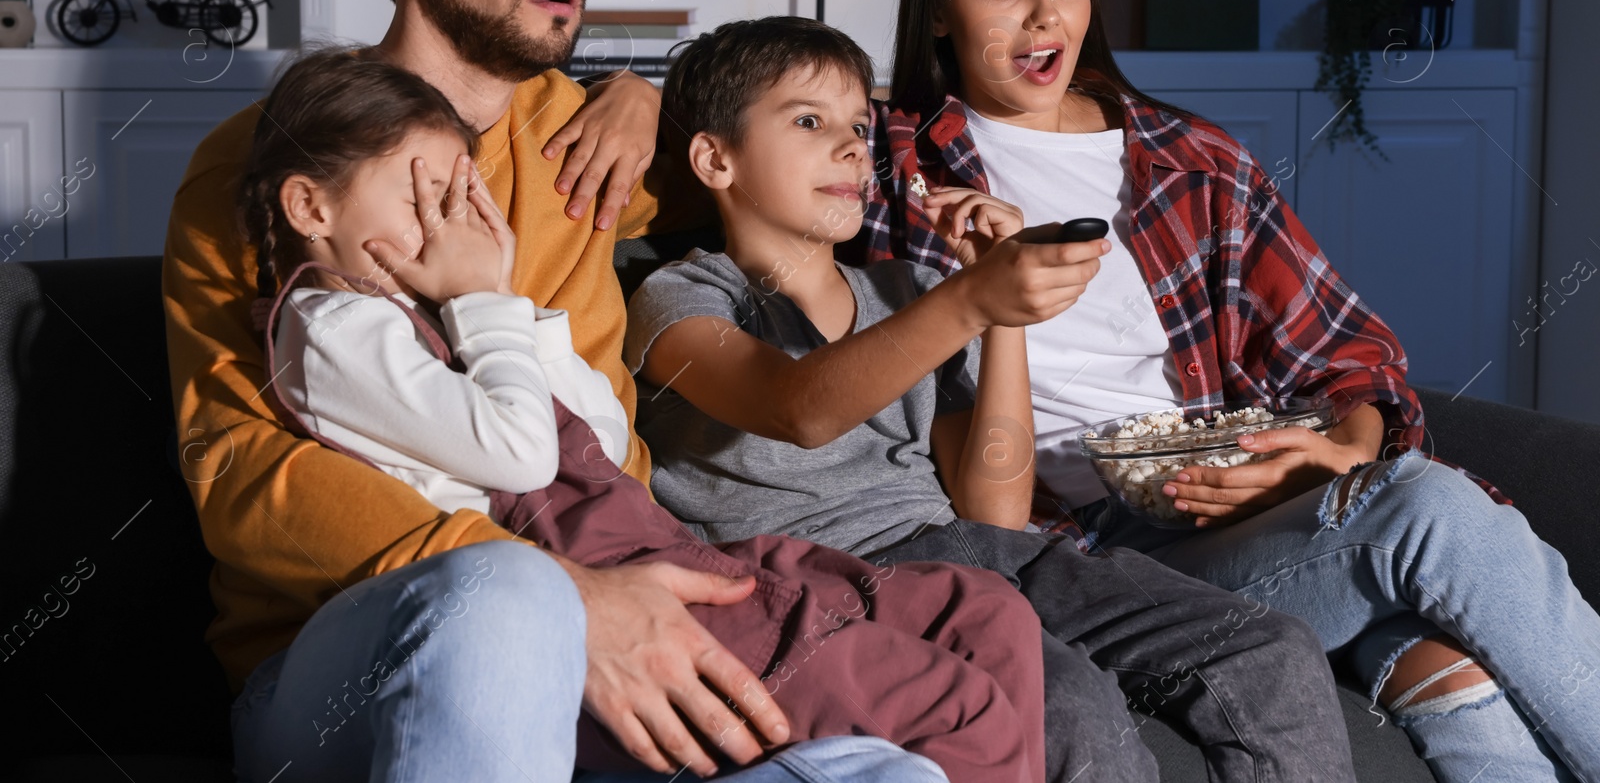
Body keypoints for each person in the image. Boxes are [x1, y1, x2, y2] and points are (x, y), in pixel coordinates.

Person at [164, 0, 945, 783]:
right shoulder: (279, 162)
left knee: (896, 770)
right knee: (509, 601)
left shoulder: (584, 139)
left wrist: (643, 92)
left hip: (620, 596)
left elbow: (760, 150)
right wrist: (563, 592)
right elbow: (242, 474)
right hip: (351, 649)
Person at [848, 0, 1600, 783]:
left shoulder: (1193, 160)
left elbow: (1352, 360)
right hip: (1080, 553)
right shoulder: (889, 168)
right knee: (1437, 517)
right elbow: (737, 113)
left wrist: (1337, 452)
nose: (1046, 18)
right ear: (937, 9)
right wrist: (640, 102)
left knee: (1439, 655)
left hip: (1237, 507)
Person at [234, 45, 1050, 782]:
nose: (450, 225)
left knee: (986, 612)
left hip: (651, 545)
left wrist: (509, 300)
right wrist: (479, 298)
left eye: (458, 196)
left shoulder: (446, 313)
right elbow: (520, 456)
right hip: (565, 580)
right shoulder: (331, 327)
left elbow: (603, 434)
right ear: (312, 207)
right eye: (422, 196)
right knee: (953, 706)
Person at [624, 15, 1359, 783]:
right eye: (809, 121)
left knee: (1269, 649)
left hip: (982, 554)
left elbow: (995, 508)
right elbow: (798, 408)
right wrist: (972, 300)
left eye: (856, 125)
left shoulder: (905, 293)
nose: (849, 146)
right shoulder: (680, 297)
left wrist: (1001, 312)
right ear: (715, 158)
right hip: (830, 581)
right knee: (1067, 702)